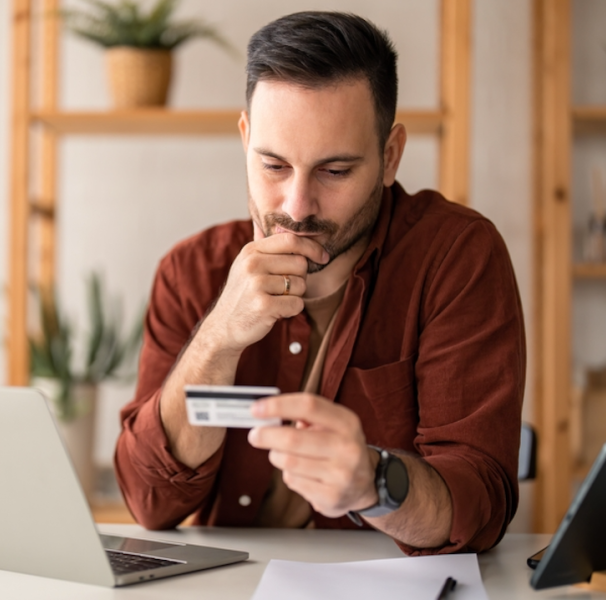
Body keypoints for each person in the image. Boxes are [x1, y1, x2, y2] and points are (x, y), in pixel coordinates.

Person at [114, 11, 525, 555]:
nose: (297, 207)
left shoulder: (456, 257)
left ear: (390, 157)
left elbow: (482, 504)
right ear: (245, 139)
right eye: (274, 165)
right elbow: (149, 501)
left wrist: (374, 484)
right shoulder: (191, 271)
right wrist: (216, 339)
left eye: (335, 171)